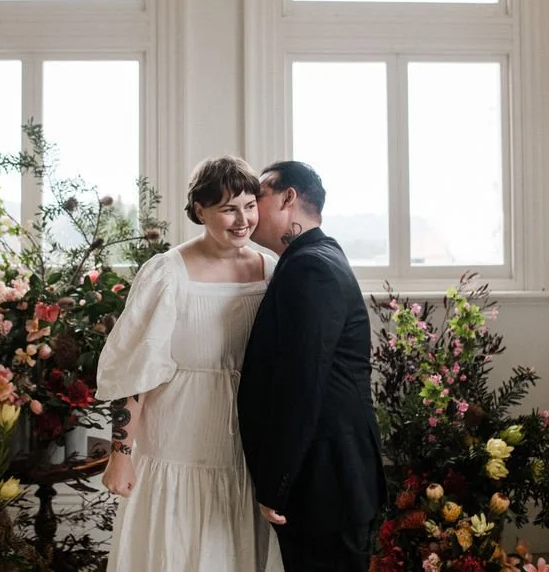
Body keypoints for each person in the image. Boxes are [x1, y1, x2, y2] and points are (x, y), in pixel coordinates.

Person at [95, 156, 284, 572]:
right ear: (200, 210)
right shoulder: (167, 273)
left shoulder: (271, 270)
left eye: (250, 206)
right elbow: (136, 370)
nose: (242, 220)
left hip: (244, 448)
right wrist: (121, 453)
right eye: (228, 209)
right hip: (177, 442)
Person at [237, 161, 387, 572]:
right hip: (329, 476)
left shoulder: (311, 267)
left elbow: (301, 384)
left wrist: (276, 484)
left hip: (326, 480)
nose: (249, 212)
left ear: (288, 198)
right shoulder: (314, 257)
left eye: (258, 198)